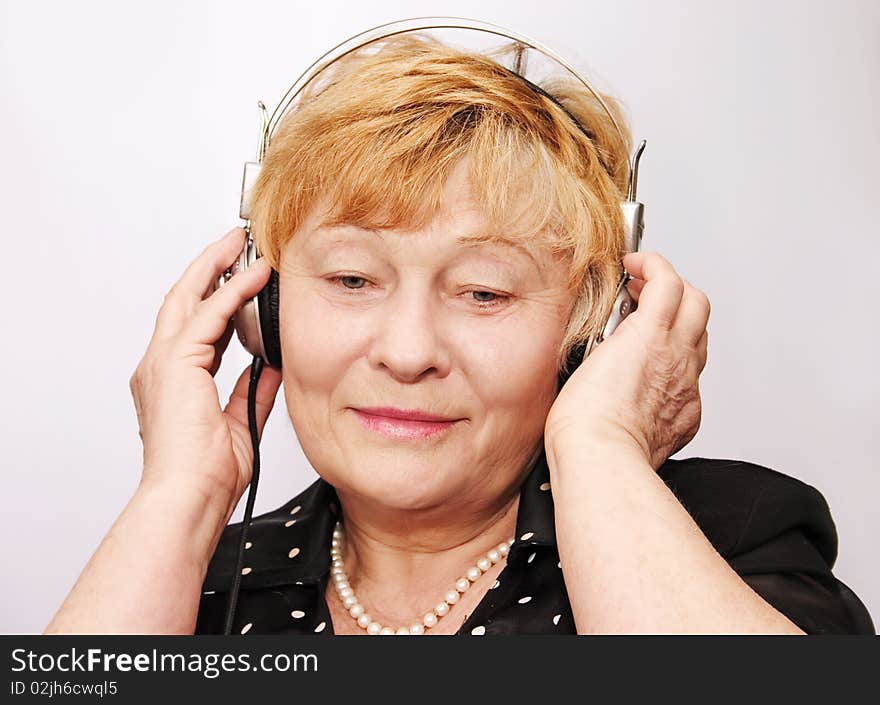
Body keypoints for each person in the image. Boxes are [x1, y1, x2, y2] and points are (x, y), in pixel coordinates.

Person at [45, 34, 874, 635]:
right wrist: (178, 501)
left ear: (591, 330)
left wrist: (595, 443)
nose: (408, 353)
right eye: (351, 280)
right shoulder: (188, 579)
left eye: (483, 291)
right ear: (262, 315)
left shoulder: (729, 535)